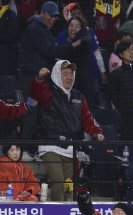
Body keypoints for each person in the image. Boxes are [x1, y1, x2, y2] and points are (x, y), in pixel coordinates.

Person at [29, 61, 104, 202]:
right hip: (50, 145)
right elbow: (34, 92)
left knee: (70, 186)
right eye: (65, 74)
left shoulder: (78, 96)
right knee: (58, 183)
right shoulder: (47, 92)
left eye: (71, 74)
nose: (69, 77)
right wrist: (39, 78)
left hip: (71, 148)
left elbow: (87, 117)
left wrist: (96, 131)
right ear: (57, 75)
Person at [108, 40, 133, 164]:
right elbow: (113, 95)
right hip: (127, 118)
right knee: (129, 149)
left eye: (132, 49)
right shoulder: (116, 74)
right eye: (127, 50)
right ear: (121, 54)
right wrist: (123, 108)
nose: (131, 52)